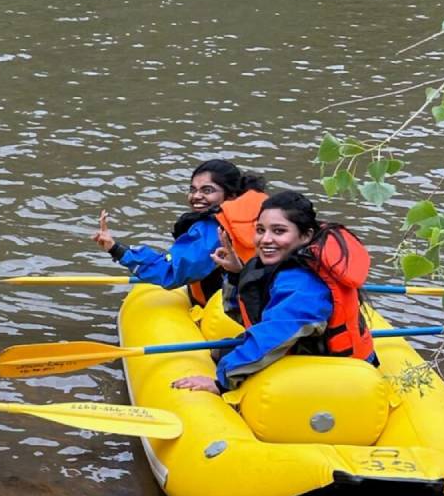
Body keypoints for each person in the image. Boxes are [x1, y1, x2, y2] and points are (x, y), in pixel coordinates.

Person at [172, 190, 375, 394]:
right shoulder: (283, 268)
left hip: (338, 378)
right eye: (260, 230)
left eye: (279, 231)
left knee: (230, 360)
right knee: (224, 350)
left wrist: (220, 383)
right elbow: (248, 317)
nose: (265, 239)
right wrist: (236, 274)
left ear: (306, 236)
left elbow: (273, 336)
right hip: (307, 358)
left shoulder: (304, 286)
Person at [94, 159, 267, 303]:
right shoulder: (262, 216)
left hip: (227, 315)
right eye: (193, 190)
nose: (196, 196)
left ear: (231, 195)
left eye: (207, 190)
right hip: (257, 301)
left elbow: (170, 273)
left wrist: (116, 249)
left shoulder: (211, 229)